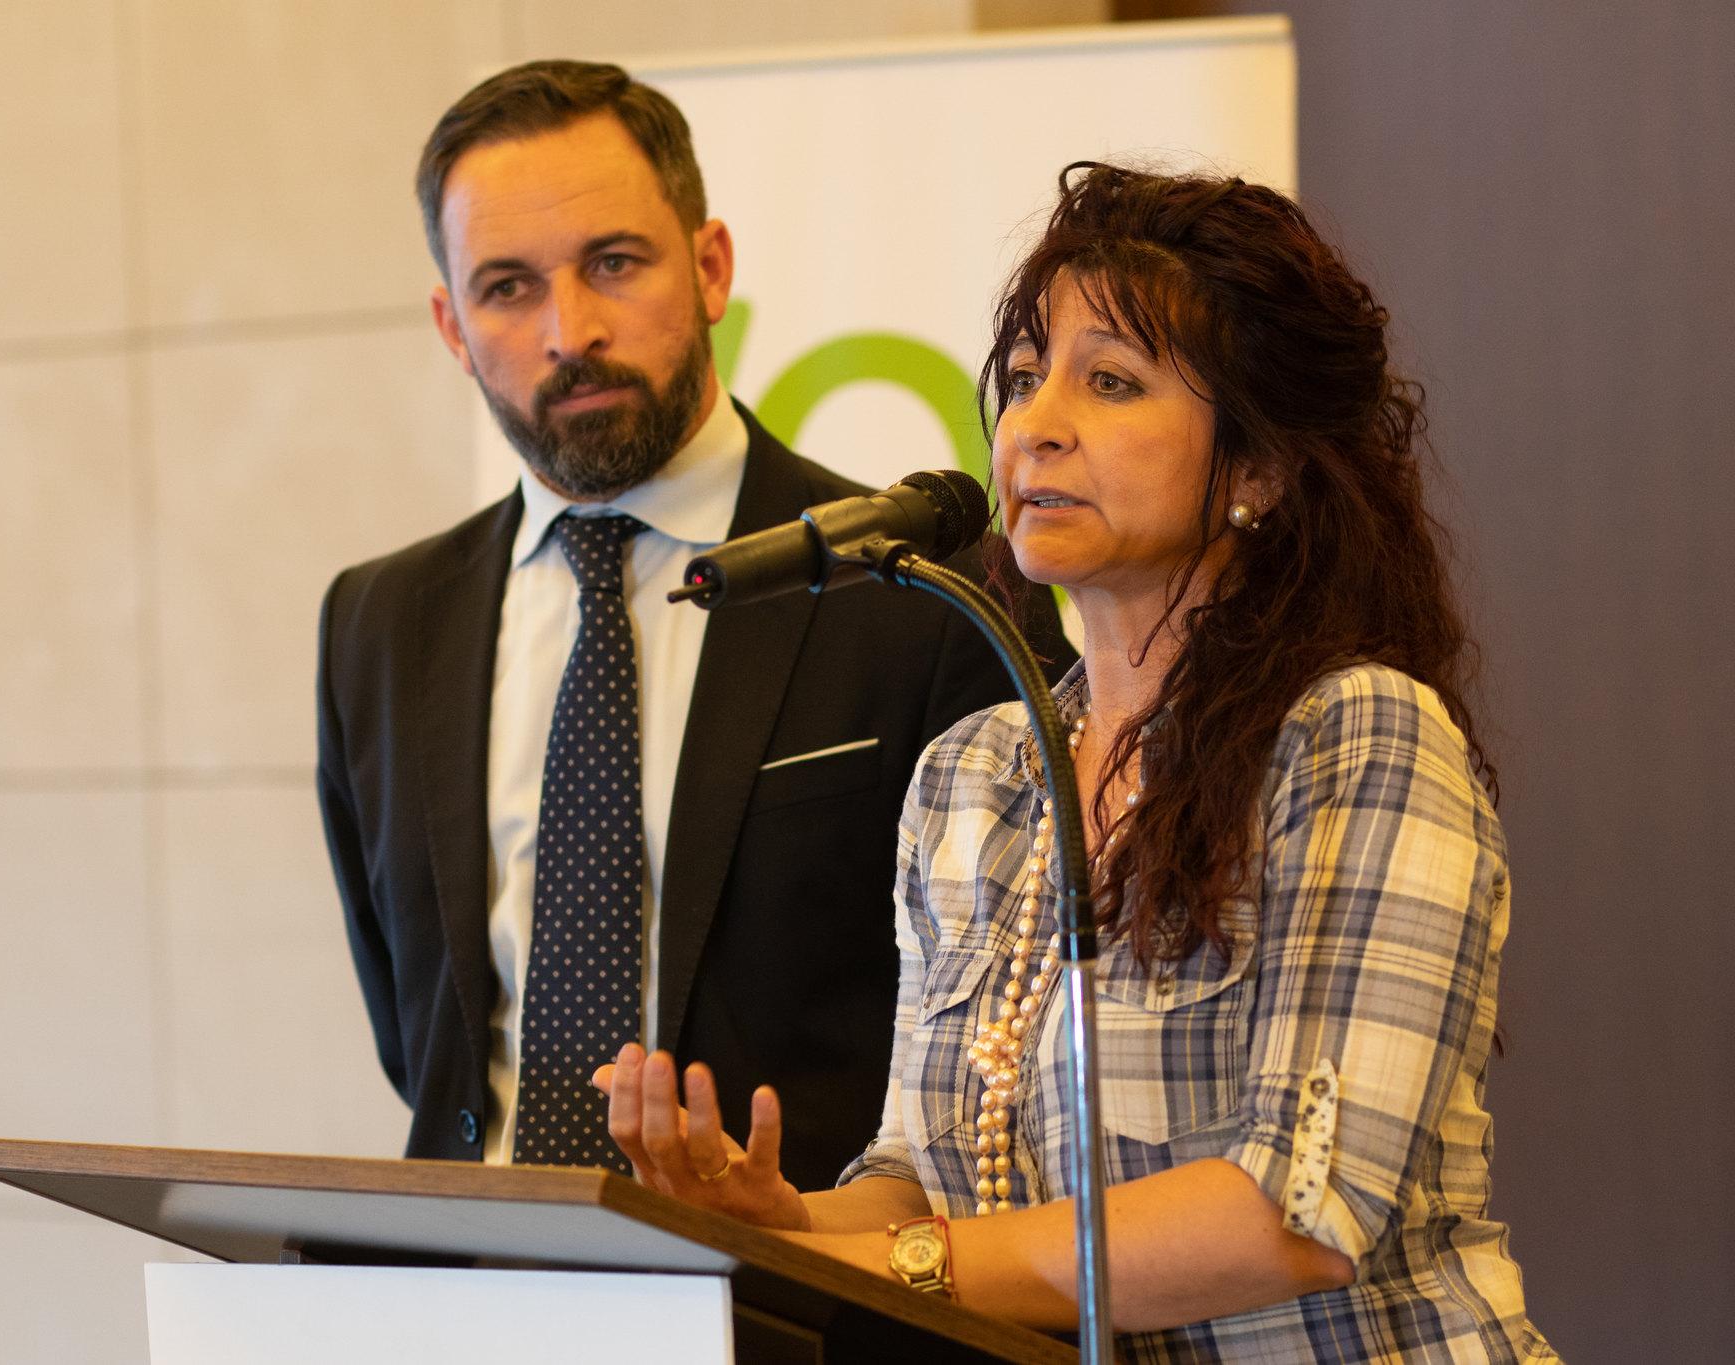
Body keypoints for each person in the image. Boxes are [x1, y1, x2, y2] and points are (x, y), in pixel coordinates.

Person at [600, 162, 1556, 1360]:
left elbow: (1299, 1212)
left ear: (1257, 470)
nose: (1034, 424)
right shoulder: (976, 775)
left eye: (1109, 382)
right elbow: (923, 1181)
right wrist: (777, 1228)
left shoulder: (1354, 736)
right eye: (1020, 378)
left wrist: (886, 1263)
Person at [316, 61, 1059, 1191]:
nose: (571, 330)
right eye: (507, 288)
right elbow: (419, 1033)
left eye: (612, 264)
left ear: (710, 268)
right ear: (451, 325)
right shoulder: (378, 624)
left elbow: (1024, 1034)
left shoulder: (928, 589)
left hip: (813, 1313)